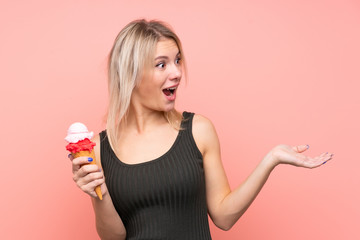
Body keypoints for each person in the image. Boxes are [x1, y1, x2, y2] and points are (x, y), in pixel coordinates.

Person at [69, 19, 333, 240]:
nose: (177, 73)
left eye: (178, 60)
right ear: (132, 74)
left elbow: (224, 217)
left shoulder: (197, 130)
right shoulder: (100, 148)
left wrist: (271, 159)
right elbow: (113, 237)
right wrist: (97, 192)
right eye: (162, 64)